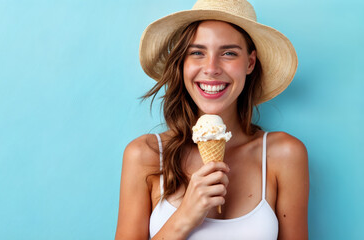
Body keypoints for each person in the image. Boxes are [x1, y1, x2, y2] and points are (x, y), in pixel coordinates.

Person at [115, 0, 309, 239]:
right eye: (197, 52)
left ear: (250, 63)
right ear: (183, 63)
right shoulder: (145, 155)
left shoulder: (284, 154)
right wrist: (184, 217)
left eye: (228, 53)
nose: (211, 68)